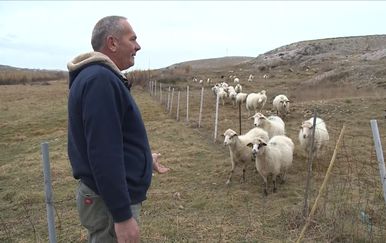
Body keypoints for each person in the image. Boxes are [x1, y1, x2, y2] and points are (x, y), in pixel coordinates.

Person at [67, 16, 153, 243]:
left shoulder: (99, 77)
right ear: (112, 43)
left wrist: (143, 158)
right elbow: (103, 153)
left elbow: (105, 140)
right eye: (132, 39)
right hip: (108, 202)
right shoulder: (100, 81)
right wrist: (122, 216)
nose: (138, 46)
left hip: (106, 196)